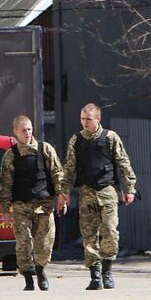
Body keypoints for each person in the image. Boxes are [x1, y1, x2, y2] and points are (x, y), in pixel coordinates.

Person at [57, 103, 137, 290]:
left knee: (110, 232)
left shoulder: (110, 138)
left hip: (108, 192)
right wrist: (64, 192)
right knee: (89, 235)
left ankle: (107, 273)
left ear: (98, 119)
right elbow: (68, 168)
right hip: (86, 193)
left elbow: (123, 163)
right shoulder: (76, 140)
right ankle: (95, 276)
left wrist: (130, 188)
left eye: (89, 119)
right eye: (82, 119)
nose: (85, 122)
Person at [0, 115, 64, 291]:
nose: (27, 133)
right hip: (21, 206)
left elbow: (57, 173)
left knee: (44, 243)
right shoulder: (10, 155)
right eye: (23, 130)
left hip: (44, 205)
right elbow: (5, 183)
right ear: (15, 132)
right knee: (23, 243)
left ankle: (41, 271)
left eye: (29, 129)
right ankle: (28, 277)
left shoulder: (45, 149)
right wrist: (4, 209)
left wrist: (62, 196)